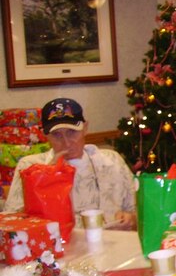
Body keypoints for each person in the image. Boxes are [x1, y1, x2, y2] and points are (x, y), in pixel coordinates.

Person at [5, 98, 136, 229]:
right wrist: (47, 178)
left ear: (85, 128)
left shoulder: (111, 161)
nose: (66, 142)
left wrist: (131, 219)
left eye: (72, 132)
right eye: (57, 135)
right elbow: (12, 222)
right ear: (45, 135)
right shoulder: (29, 167)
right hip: (58, 246)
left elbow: (138, 210)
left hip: (113, 243)